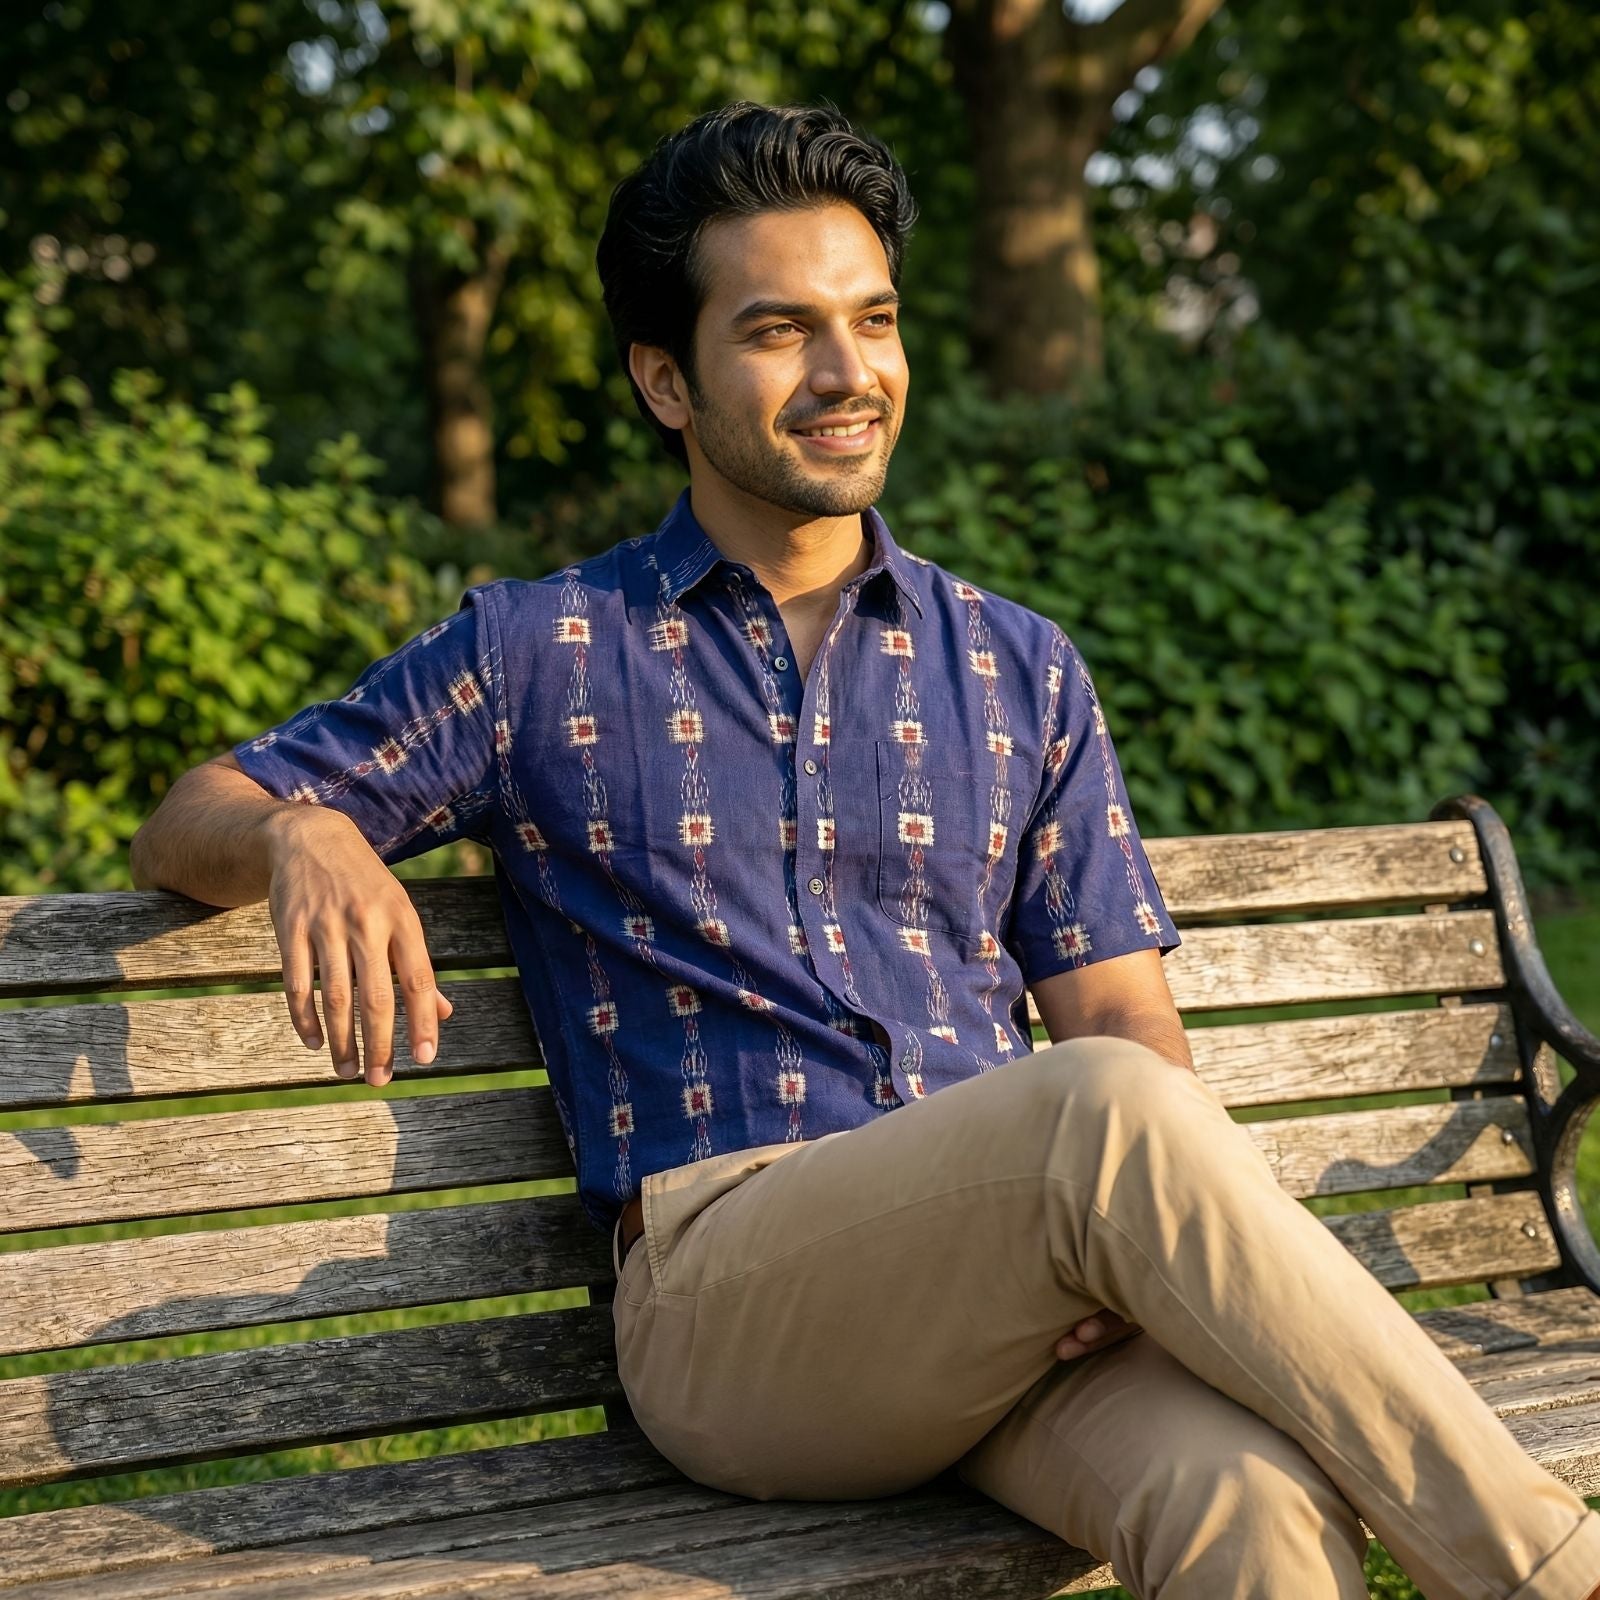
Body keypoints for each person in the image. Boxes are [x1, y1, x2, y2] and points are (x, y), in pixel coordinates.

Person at [130, 101, 1600, 1600]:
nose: (847, 375)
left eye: (873, 320)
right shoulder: (542, 649)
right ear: (665, 379)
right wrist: (304, 828)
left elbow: (1121, 1025)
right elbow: (190, 816)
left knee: (1250, 1499)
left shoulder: (1018, 666)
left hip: (1006, 1290)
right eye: (778, 331)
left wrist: (1109, 1256)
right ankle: (1553, 1573)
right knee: (1092, 1114)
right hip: (736, 1313)